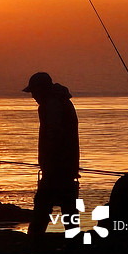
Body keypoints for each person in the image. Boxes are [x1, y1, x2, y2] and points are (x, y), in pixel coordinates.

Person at [23, 72, 80, 242]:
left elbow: (54, 136)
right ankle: (74, 244)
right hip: (66, 167)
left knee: (42, 207)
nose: (33, 96)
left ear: (42, 89)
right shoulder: (61, 102)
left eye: (34, 91)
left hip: (57, 168)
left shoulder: (52, 105)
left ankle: (34, 243)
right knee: (68, 208)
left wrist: (49, 164)